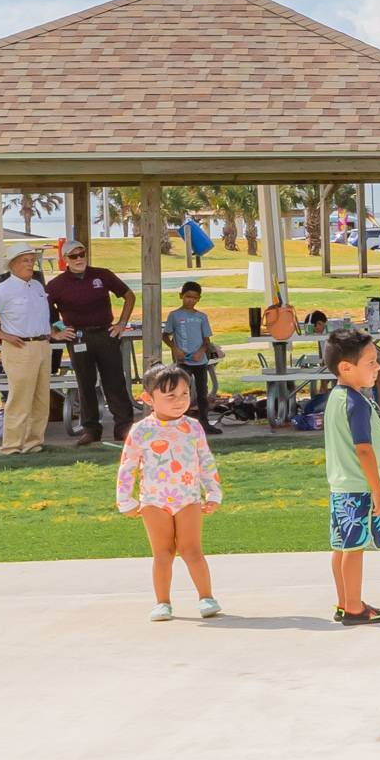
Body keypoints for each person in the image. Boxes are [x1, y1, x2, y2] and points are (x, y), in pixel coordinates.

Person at [116, 362, 223, 618]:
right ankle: (162, 602)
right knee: (162, 554)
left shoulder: (194, 427)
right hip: (154, 502)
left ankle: (206, 598)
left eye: (184, 394)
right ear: (148, 399)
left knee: (192, 550)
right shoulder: (141, 430)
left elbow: (206, 461)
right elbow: (127, 465)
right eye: (170, 395)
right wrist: (125, 500)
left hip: (188, 499)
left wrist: (213, 492)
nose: (179, 401)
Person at [321, 324, 380, 625]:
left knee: (341, 546)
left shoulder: (335, 398)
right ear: (346, 367)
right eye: (371, 362)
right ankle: (354, 607)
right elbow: (364, 450)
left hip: (340, 488)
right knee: (354, 548)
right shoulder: (356, 404)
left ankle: (344, 602)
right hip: (358, 489)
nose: (378, 367)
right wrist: (377, 491)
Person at [44, 236, 137, 448]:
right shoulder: (57, 284)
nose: (79, 259)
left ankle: (123, 426)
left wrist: (122, 323)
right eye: (73, 256)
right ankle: (91, 430)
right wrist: (54, 332)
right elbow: (40, 309)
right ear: (65, 259)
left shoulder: (102, 275)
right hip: (78, 337)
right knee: (85, 384)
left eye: (82, 254)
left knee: (115, 381)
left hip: (106, 334)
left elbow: (129, 295)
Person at [0, 244, 51, 455]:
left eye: (31, 260)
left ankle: (33, 444)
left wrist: (51, 332)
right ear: (12, 265)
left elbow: (40, 317)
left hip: (43, 346)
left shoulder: (37, 286)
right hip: (19, 348)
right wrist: (6, 335)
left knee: (41, 399)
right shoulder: (3, 290)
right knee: (20, 399)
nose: (30, 264)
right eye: (24, 260)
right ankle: (11, 447)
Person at [163, 281, 225, 434]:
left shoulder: (201, 317)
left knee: (202, 393)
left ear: (199, 299)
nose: (190, 300)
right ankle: (180, 423)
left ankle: (204, 423)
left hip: (200, 361)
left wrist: (201, 351)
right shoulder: (175, 315)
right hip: (183, 361)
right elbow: (165, 336)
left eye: (194, 298)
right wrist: (174, 348)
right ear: (181, 296)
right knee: (181, 392)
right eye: (187, 296)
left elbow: (206, 340)